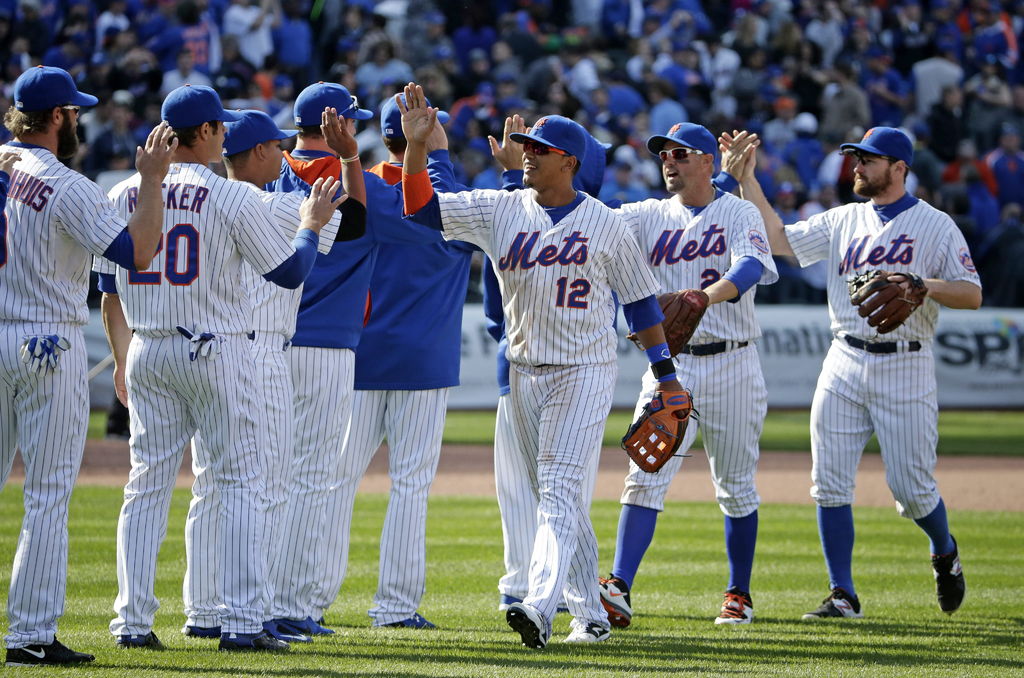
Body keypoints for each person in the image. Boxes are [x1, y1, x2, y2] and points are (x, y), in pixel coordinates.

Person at [400, 84, 683, 648]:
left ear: (569, 162)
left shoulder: (607, 224)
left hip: (584, 371)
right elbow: (423, 209)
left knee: (555, 489)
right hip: (525, 371)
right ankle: (593, 617)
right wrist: (415, 149)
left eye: (538, 148)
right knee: (559, 498)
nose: (525, 152)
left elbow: (643, 305)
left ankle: (538, 605)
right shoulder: (501, 207)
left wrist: (667, 375)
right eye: (525, 145)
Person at [96, 84, 339, 653]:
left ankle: (132, 622)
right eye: (219, 128)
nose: (225, 136)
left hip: (148, 346)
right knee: (239, 482)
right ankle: (241, 620)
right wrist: (308, 224)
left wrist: (122, 357)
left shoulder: (124, 192)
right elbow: (287, 274)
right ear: (203, 133)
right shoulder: (233, 198)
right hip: (217, 348)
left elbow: (108, 289)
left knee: (145, 487)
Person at [731, 126, 981, 619]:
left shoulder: (935, 225)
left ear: (899, 168)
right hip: (843, 357)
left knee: (912, 491)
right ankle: (842, 593)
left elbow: (971, 293)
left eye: (869, 160)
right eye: (855, 158)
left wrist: (922, 284)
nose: (857, 167)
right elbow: (779, 240)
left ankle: (944, 550)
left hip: (906, 362)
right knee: (828, 482)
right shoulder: (844, 219)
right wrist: (748, 181)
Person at [264, 82, 453, 636]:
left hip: (266, 341)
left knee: (255, 479)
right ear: (341, 127)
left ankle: (244, 602)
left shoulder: (264, 175)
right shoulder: (361, 186)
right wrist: (431, 154)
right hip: (330, 349)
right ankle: (300, 604)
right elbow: (432, 219)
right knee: (318, 483)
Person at [1, 65, 174, 666]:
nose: (78, 120)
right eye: (73, 112)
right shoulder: (68, 185)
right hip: (47, 337)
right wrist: (151, 182)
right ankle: (30, 635)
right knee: (46, 495)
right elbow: (140, 252)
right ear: (56, 118)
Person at [180, 109, 366, 643]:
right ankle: (253, 612)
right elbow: (352, 220)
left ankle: (204, 608)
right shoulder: (281, 207)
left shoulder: (211, 202)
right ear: (259, 151)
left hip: (209, 346)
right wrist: (350, 158)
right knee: (262, 486)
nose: (284, 154)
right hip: (257, 353)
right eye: (276, 147)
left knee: (211, 485)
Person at [598, 124, 778, 628]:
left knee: (736, 486)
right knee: (643, 476)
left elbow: (750, 266)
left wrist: (704, 295)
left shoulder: (738, 210)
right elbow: (590, 220)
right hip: (669, 366)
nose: (668, 162)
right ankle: (619, 586)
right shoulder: (646, 214)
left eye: (680, 154)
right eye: (663, 155)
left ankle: (738, 593)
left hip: (734, 362)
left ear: (708, 162)